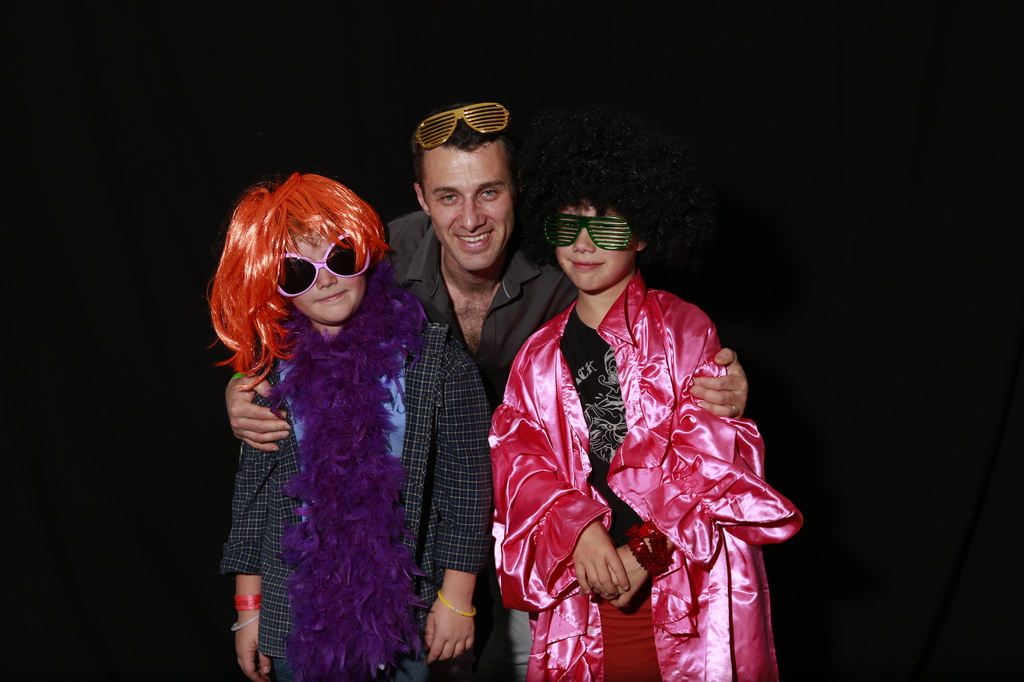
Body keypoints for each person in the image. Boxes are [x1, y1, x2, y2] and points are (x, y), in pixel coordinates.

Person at [222, 103, 752, 681]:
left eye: (489, 192)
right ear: (422, 199)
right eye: (448, 196)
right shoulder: (374, 256)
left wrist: (719, 387)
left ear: (517, 188)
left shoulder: (566, 262)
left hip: (550, 536)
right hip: (431, 537)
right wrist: (246, 384)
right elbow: (300, 315)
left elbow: (658, 371)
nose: (471, 218)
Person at [489, 106, 803, 681]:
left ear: (643, 232)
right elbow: (519, 462)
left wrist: (646, 554)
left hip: (684, 588)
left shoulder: (685, 329)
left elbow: (711, 461)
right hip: (584, 597)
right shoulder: (536, 356)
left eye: (606, 227)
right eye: (567, 226)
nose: (584, 244)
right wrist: (577, 528)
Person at [211, 173, 492, 682]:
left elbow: (468, 487)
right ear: (272, 284)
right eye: (297, 270)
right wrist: (248, 609)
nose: (324, 280)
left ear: (365, 252)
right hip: (298, 619)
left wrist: (458, 597)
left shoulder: (434, 360)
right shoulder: (270, 375)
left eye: (340, 257)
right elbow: (254, 497)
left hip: (408, 614)